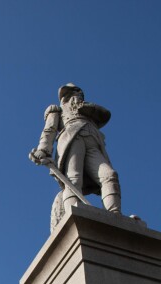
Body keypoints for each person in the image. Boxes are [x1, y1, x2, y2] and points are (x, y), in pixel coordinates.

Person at [30, 83, 121, 229]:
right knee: (73, 180)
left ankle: (115, 215)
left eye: (77, 92)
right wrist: (43, 149)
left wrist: (85, 108)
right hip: (71, 139)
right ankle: (73, 217)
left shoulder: (88, 111)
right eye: (70, 93)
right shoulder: (57, 110)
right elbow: (50, 130)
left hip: (93, 143)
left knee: (110, 175)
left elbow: (105, 115)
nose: (74, 96)